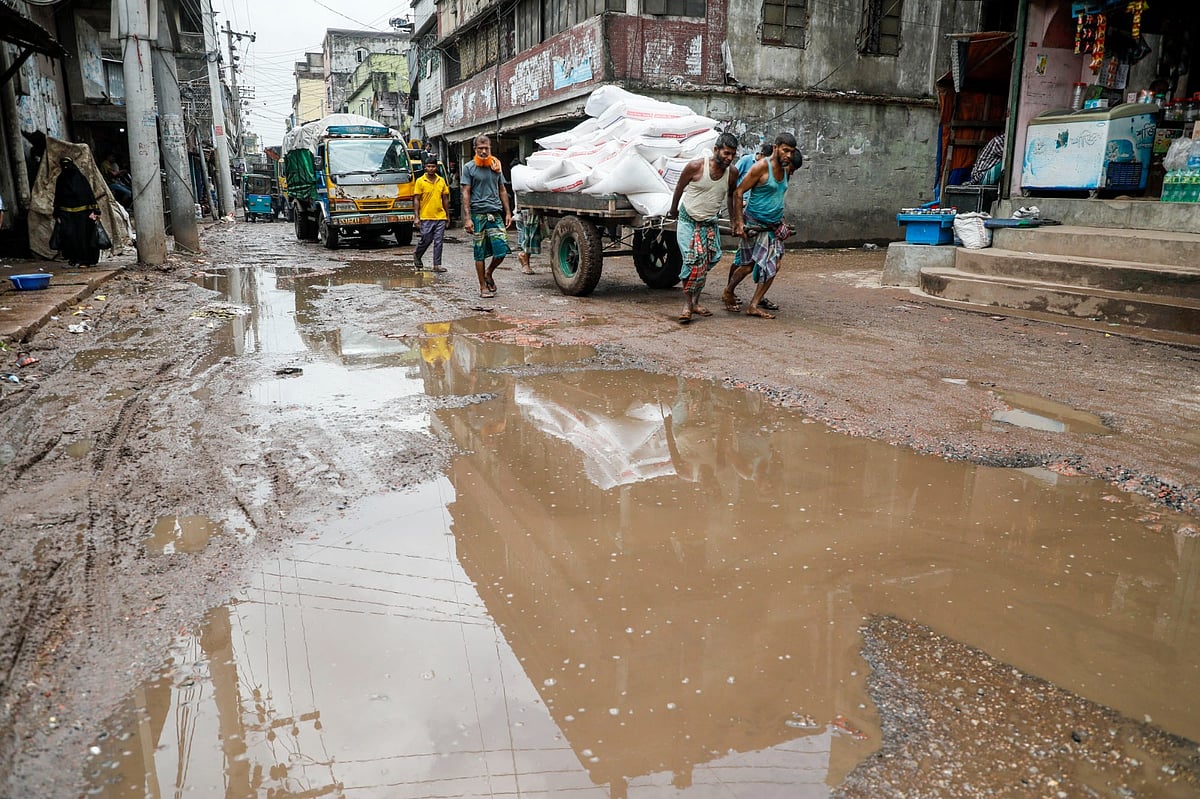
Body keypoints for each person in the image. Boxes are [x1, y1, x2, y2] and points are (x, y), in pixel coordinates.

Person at [668, 132, 739, 324]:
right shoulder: (696, 167)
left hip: (709, 223)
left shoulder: (732, 173)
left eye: (732, 154)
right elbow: (679, 188)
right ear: (716, 150)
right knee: (692, 262)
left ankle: (696, 302)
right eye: (726, 153)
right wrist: (673, 210)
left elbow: (731, 196)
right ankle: (688, 304)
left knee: (706, 261)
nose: (729, 158)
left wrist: (734, 222)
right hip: (688, 220)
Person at [724, 132, 798, 319]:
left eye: (791, 152)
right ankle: (728, 291)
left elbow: (778, 197)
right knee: (747, 266)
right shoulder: (761, 168)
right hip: (754, 223)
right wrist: (739, 223)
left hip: (773, 226)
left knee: (774, 265)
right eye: (785, 150)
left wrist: (781, 221)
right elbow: (739, 192)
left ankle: (754, 304)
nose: (788, 155)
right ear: (775, 148)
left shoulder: (787, 169)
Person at [461, 135, 512, 298]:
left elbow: (502, 190)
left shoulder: (496, 166)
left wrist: (508, 212)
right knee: (479, 252)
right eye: (480, 148)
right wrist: (467, 218)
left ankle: (489, 272)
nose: (484, 151)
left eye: (486, 148)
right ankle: (482, 286)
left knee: (501, 250)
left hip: (495, 213)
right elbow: (466, 192)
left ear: (490, 149)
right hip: (477, 215)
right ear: (475, 149)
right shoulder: (468, 168)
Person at [53, 157, 101, 266]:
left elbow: (89, 195)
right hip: (66, 214)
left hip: (83, 214)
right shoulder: (61, 179)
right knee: (68, 236)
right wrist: (57, 213)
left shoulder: (80, 179)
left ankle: (85, 260)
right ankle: (73, 258)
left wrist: (95, 210)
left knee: (83, 237)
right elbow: (58, 196)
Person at [412, 155, 450, 272]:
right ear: (425, 167)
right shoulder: (420, 181)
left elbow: (445, 199)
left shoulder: (441, 180)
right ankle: (417, 255)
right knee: (426, 239)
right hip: (426, 216)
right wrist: (417, 217)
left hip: (440, 216)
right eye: (428, 166)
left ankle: (437, 265)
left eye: (433, 166)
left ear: (436, 167)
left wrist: (448, 216)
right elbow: (417, 199)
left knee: (438, 241)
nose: (431, 169)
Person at [514, 202, 543, 275]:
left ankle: (524, 256)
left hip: (533, 207)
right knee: (529, 236)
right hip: (527, 209)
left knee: (537, 235)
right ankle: (525, 261)